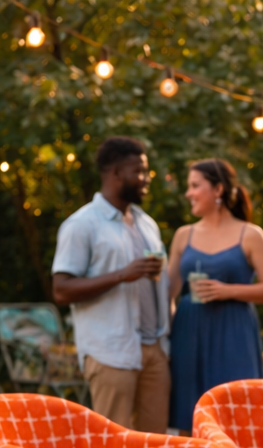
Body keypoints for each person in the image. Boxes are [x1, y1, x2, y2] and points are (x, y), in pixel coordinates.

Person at [52, 136, 171, 432]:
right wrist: (121, 275)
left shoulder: (147, 224)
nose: (146, 179)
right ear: (116, 174)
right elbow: (61, 289)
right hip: (111, 351)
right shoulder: (82, 225)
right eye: (139, 172)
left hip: (154, 350)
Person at [166, 158, 263, 432]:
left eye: (195, 186)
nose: (188, 193)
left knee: (236, 416)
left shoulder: (250, 234)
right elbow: (168, 294)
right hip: (188, 333)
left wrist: (227, 290)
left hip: (234, 335)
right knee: (189, 415)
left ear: (217, 190)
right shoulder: (183, 236)